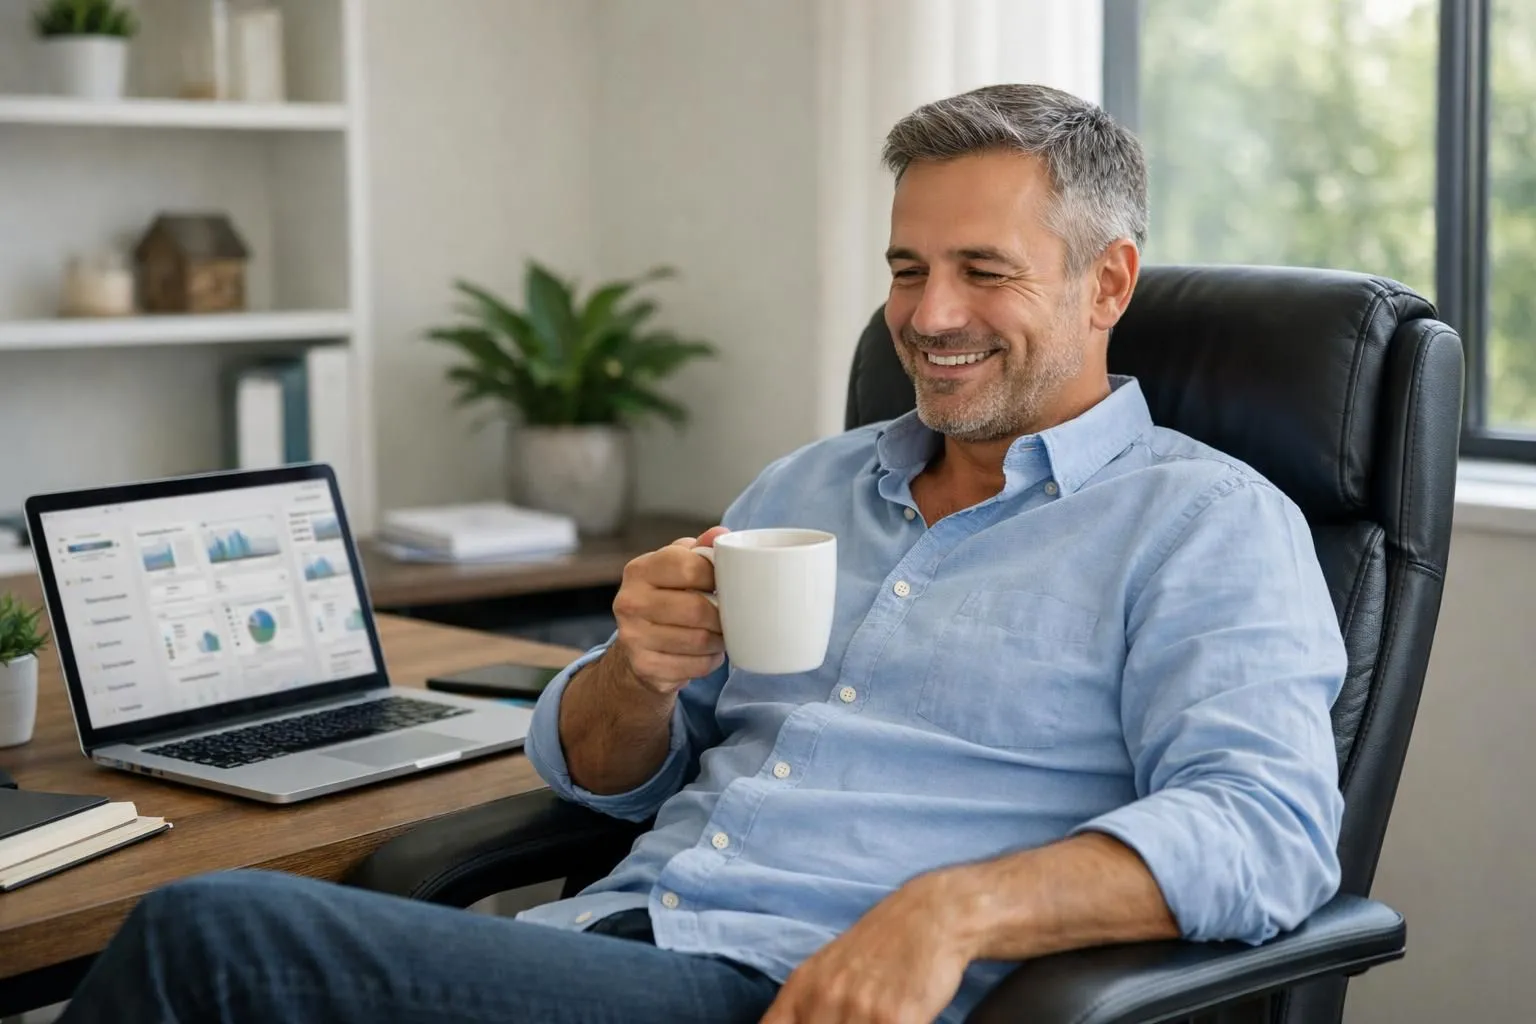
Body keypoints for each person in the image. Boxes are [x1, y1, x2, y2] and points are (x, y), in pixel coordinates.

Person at [60, 83, 1345, 1024]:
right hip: (618, 941)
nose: (929, 315)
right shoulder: (809, 483)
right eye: (906, 269)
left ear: (1107, 283)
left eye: (981, 271)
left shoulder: (1205, 524)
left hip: (792, 991)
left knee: (206, 938)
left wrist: (951, 909)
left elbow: (1265, 830)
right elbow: (607, 778)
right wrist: (638, 670)